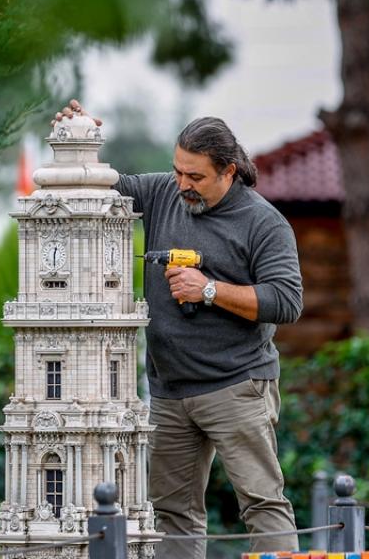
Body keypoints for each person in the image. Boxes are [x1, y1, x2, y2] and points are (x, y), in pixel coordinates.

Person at [51, 100, 304, 559]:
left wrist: (210, 290)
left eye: (195, 177)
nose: (182, 184)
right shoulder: (165, 193)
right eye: (177, 171)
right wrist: (82, 145)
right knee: (172, 511)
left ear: (229, 171)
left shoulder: (264, 224)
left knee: (262, 503)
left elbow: (286, 302)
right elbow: (104, 188)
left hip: (237, 386)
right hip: (168, 391)